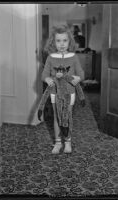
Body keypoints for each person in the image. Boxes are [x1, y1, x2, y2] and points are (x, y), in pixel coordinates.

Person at [40, 25, 84, 154]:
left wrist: (78, 78)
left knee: (67, 116)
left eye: (65, 40)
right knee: (56, 117)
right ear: (53, 42)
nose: (62, 44)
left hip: (70, 93)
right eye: (58, 41)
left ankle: (68, 141)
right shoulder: (50, 57)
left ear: (69, 41)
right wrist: (47, 79)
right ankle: (58, 143)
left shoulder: (74, 57)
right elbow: (44, 74)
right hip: (55, 93)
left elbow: (81, 73)